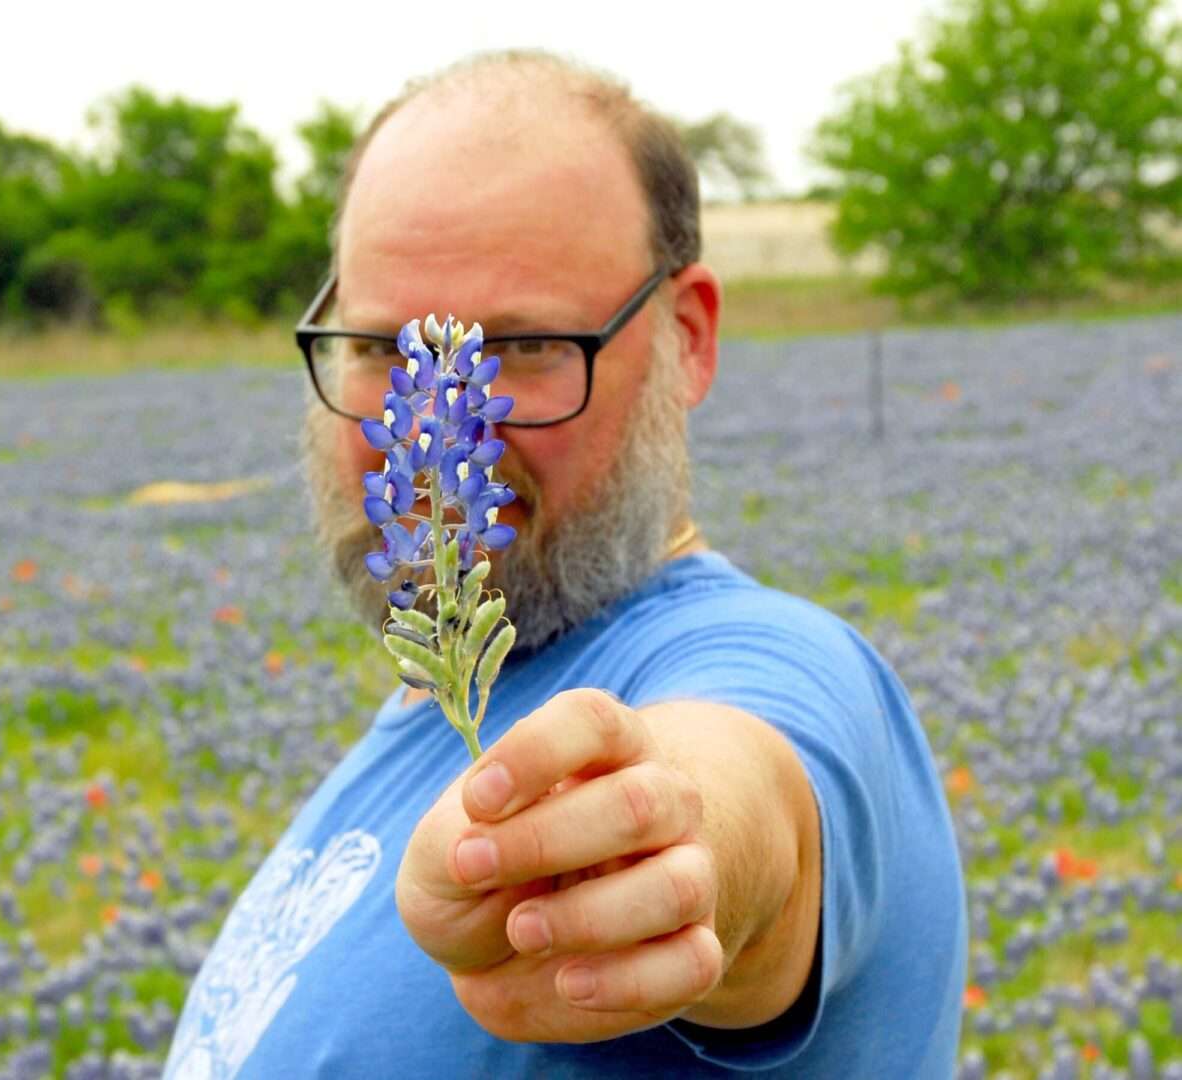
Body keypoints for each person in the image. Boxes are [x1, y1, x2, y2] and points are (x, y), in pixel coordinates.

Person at [164, 51, 966, 1079]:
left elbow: (738, 798)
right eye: (378, 349)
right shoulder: (442, 702)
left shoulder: (764, 659)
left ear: (688, 337)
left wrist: (670, 848)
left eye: (523, 346)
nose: (435, 432)